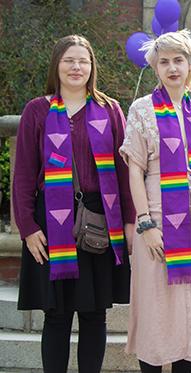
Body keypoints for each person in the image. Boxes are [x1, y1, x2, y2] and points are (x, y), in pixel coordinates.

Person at [13, 35, 134, 373]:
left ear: (92, 67)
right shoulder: (37, 110)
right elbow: (23, 174)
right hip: (51, 222)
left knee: (95, 315)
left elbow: (124, 172)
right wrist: (27, 228)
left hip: (100, 219)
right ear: (57, 65)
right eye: (69, 60)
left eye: (83, 60)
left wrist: (129, 224)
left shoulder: (110, 109)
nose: (76, 67)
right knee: (57, 315)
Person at [120, 29, 191, 373]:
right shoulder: (141, 110)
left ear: (190, 66)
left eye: (178, 60)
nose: (172, 67)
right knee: (156, 309)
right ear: (155, 68)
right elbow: (134, 170)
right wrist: (145, 224)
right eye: (164, 61)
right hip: (157, 220)